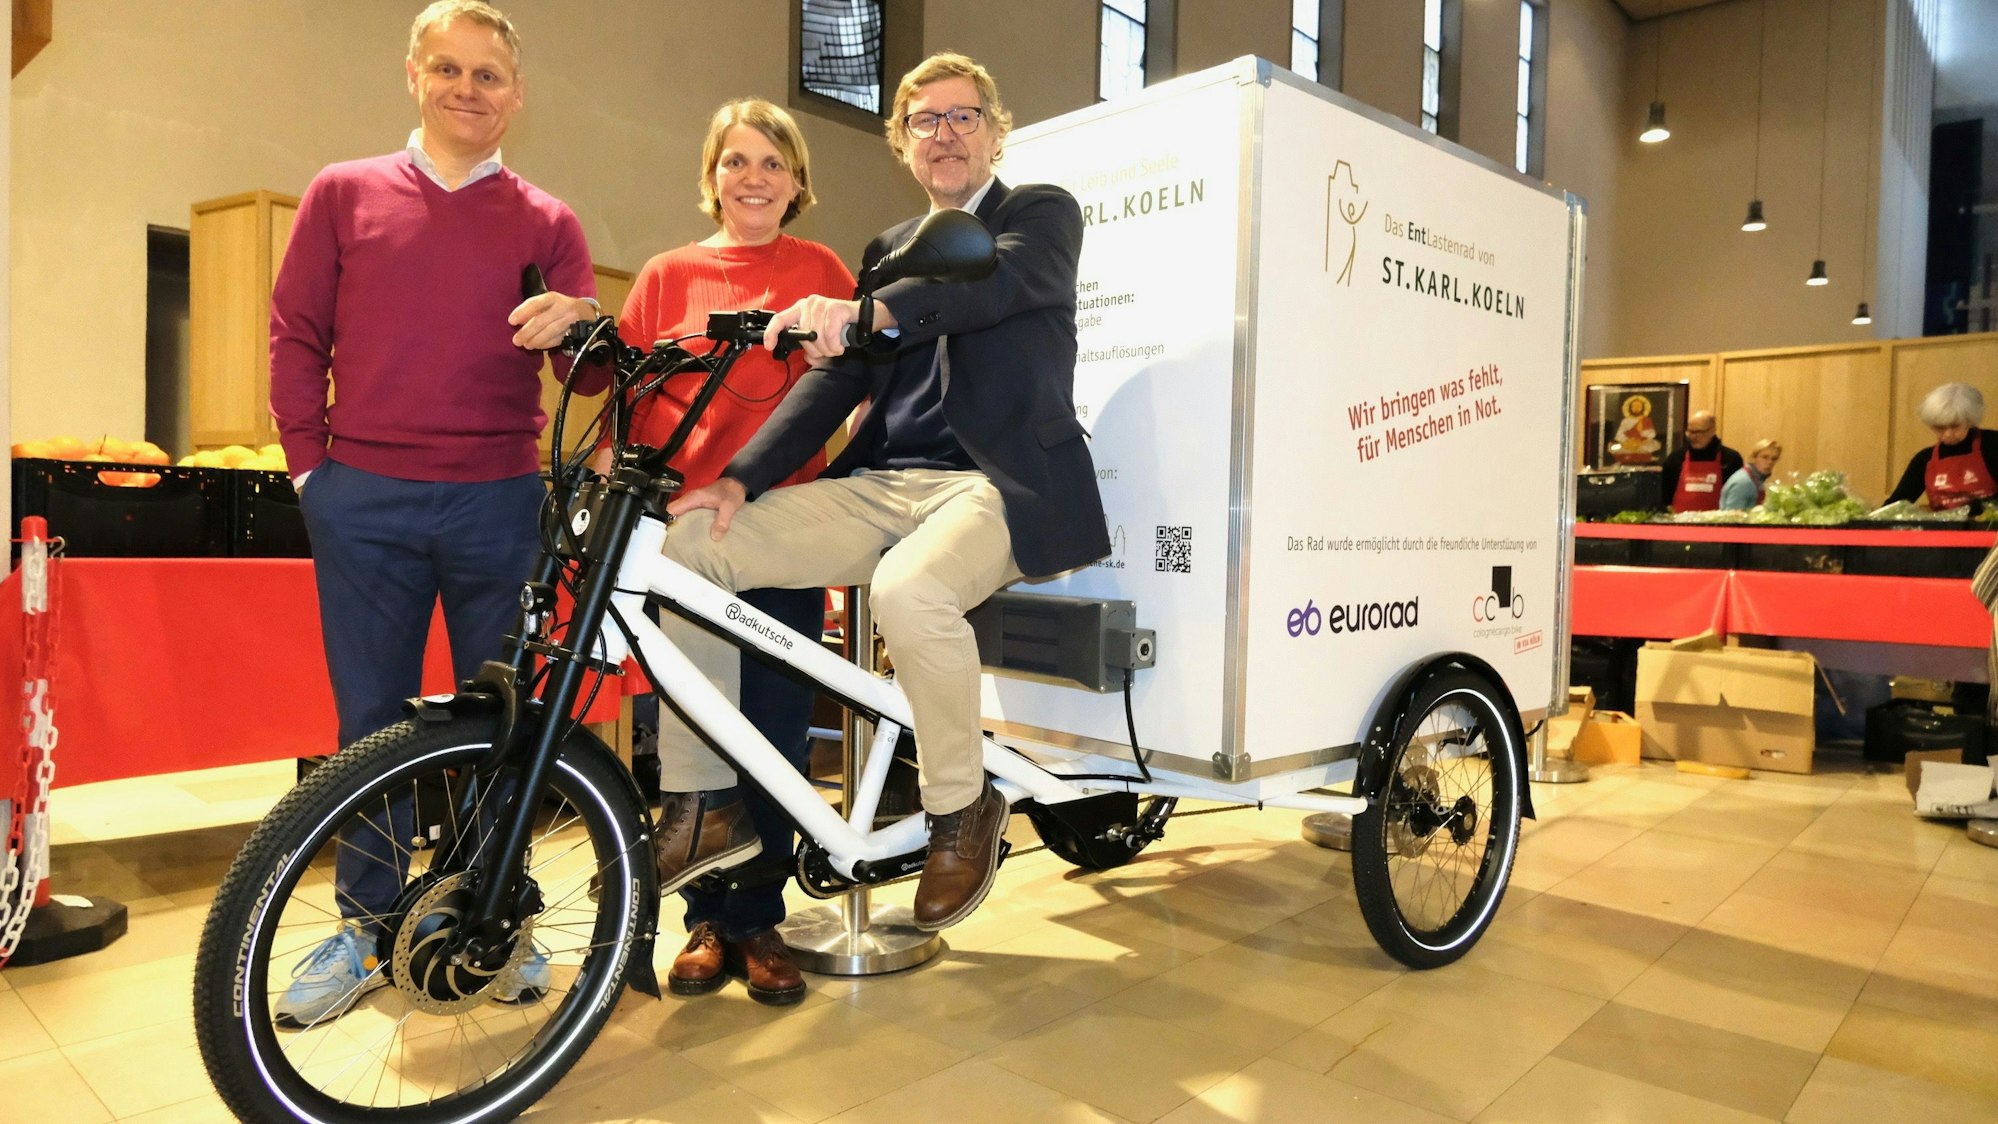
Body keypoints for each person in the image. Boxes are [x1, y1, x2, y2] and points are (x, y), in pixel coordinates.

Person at [649, 52, 1110, 934]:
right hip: (884, 483)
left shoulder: (1040, 214)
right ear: (902, 143)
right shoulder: (887, 250)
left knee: (910, 590)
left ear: (994, 130)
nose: (945, 134)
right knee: (689, 551)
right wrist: (738, 479)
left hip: (998, 486)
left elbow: (993, 286)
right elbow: (834, 379)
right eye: (925, 121)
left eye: (963, 116)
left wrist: (867, 309)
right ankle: (708, 804)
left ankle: (959, 806)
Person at [266, 0, 601, 1027]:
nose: (469, 89)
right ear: (414, 75)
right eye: (449, 69)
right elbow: (294, 333)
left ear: (517, 94)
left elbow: (581, 374)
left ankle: (495, 916)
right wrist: (309, 469)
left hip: (500, 501)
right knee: (368, 724)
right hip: (362, 497)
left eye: (489, 75)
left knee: (503, 726)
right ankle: (366, 923)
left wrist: (584, 324)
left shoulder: (548, 222)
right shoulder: (341, 193)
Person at [612, 99, 855, 1005]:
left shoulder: (819, 269)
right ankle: (706, 920)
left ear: (797, 181)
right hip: (682, 537)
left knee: (773, 731)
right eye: (735, 161)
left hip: (779, 530)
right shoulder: (667, 276)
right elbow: (633, 398)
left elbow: (843, 392)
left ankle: (760, 917)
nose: (752, 178)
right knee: (693, 729)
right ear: (710, 174)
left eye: (771, 163)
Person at [1885, 382, 1998, 512]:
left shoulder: (1993, 445)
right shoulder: (1924, 459)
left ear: (1969, 421)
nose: (1948, 434)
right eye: (1940, 428)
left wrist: (1975, 508)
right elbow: (1897, 504)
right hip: (1946, 530)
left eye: (1955, 426)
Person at [1660, 410, 1743, 512]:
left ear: (1712, 430)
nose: (1694, 437)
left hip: (1718, 524)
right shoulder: (1675, 459)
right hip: (1680, 523)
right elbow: (1666, 499)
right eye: (1690, 432)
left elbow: (1737, 497)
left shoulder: (1731, 459)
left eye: (1699, 432)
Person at [1720, 438, 1781, 510]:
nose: (1770, 462)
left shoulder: (1756, 479)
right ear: (1753, 457)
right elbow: (1733, 517)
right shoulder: (1743, 482)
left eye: (1774, 459)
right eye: (1765, 457)